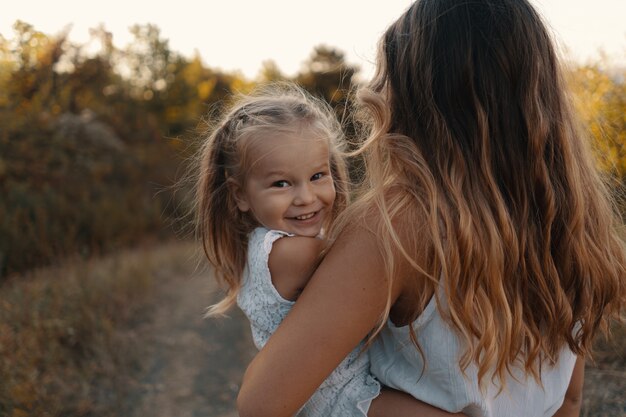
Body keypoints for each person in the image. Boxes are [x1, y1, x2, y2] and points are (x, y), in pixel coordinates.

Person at [236, 1, 626, 417]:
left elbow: (261, 403)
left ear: (418, 97)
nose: (372, 90)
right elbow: (568, 400)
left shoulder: (401, 223)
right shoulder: (574, 224)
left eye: (387, 75)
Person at [196, 84, 464, 416]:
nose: (306, 197)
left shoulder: (275, 244)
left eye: (318, 175)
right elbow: (372, 254)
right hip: (340, 399)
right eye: (281, 183)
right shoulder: (286, 254)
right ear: (239, 195)